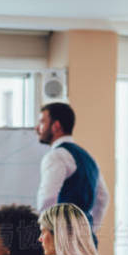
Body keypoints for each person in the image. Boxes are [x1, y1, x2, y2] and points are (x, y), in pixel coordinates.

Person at [35, 102, 110, 242]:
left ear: (56, 126)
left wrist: (44, 232)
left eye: (42, 122)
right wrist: (91, 230)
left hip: (62, 240)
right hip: (86, 240)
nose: (37, 128)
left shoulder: (56, 156)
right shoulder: (89, 158)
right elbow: (103, 198)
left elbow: (47, 199)